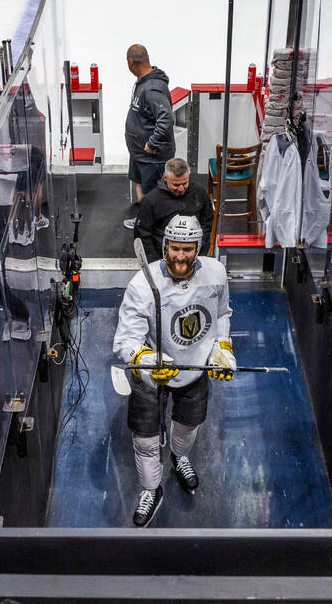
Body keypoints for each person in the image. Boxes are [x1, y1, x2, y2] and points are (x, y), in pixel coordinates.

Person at [113, 215, 237, 527]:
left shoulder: (216, 273)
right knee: (145, 441)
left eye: (188, 249)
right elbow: (124, 340)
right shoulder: (143, 284)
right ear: (165, 246)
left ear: (199, 247)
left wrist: (221, 348)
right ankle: (151, 490)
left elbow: (221, 314)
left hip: (195, 369)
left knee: (187, 427)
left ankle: (179, 458)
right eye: (174, 248)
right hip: (150, 374)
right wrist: (144, 358)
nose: (180, 257)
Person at [123, 44, 174, 229]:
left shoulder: (152, 89)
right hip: (139, 152)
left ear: (131, 63)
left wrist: (152, 143)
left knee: (152, 192)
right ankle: (143, 219)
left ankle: (153, 226)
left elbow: (166, 119)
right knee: (141, 185)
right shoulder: (143, 81)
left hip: (151, 155)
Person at [135, 158, 214, 263]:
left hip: (194, 257)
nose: (181, 188)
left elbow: (207, 222)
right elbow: (143, 235)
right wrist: (155, 262)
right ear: (165, 178)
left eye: (185, 183)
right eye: (176, 185)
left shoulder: (199, 193)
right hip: (161, 258)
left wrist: (199, 250)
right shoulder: (150, 201)